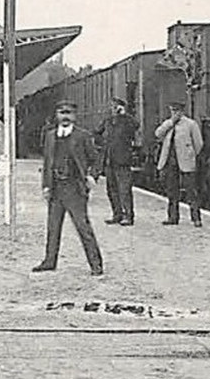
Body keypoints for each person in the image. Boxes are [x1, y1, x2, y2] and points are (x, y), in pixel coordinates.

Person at [32, 102, 104, 276]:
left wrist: (91, 176)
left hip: (74, 188)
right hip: (56, 188)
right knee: (53, 227)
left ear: (74, 116)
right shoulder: (50, 136)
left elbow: (96, 159)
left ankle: (96, 264)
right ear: (56, 115)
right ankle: (50, 261)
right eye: (61, 113)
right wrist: (46, 186)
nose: (65, 116)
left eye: (69, 113)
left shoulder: (83, 136)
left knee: (82, 226)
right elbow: (47, 162)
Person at [154, 99, 204, 226]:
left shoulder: (190, 124)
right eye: (172, 111)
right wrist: (171, 122)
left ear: (182, 112)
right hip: (170, 162)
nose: (174, 113)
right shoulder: (168, 124)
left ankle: (196, 218)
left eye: (176, 111)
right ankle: (173, 217)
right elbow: (158, 134)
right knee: (172, 191)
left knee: (191, 191)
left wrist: (190, 154)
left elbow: (198, 143)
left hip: (185, 161)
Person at [97, 97, 140, 225]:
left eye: (116, 107)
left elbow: (136, 125)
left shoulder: (127, 121)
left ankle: (128, 216)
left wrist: (125, 115)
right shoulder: (108, 121)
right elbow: (97, 132)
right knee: (111, 189)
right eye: (112, 107)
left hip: (122, 159)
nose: (113, 109)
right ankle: (117, 214)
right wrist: (103, 145)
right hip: (109, 159)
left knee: (124, 189)